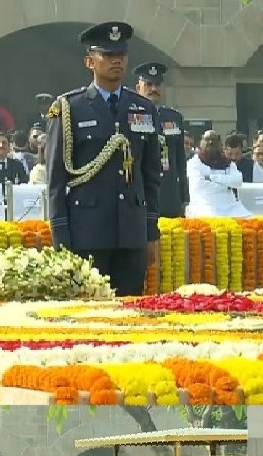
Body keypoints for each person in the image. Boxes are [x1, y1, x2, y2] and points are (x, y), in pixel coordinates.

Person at [45, 21, 161, 296]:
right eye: (107, 55)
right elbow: (55, 179)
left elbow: (151, 176)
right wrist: (60, 235)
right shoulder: (67, 108)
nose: (116, 61)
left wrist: (151, 231)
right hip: (87, 232)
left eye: (121, 55)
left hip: (131, 233)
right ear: (89, 61)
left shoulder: (143, 108)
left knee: (130, 314)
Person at [134, 61, 189, 217]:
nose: (153, 89)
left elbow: (180, 160)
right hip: (142, 192)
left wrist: (184, 197)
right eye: (149, 84)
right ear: (139, 88)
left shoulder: (174, 117)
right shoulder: (130, 116)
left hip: (169, 194)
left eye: (157, 85)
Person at [186, 131, 251, 218]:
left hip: (231, 206)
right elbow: (200, 185)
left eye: (214, 140)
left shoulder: (227, 162)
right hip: (204, 205)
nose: (210, 143)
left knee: (250, 220)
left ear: (220, 144)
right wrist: (227, 185)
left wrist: (212, 178)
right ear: (201, 143)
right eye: (207, 140)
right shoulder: (194, 163)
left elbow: (238, 181)